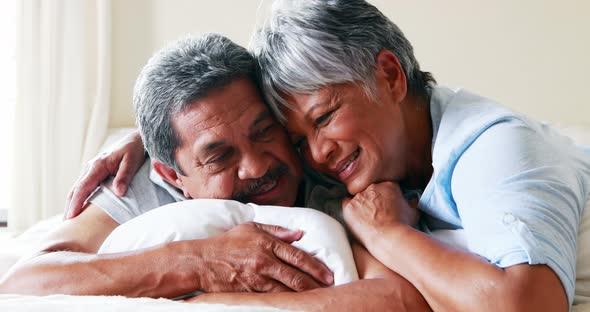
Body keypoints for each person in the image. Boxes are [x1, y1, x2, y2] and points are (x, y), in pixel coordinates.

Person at [68, 0, 590, 310]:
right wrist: (146, 139)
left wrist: (386, 231)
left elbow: (522, 306)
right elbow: (28, 278)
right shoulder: (343, 163)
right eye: (296, 137)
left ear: (389, 76)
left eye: (322, 118)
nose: (314, 154)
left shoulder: (493, 149)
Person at [1, 34, 430, 311]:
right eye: (220, 157)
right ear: (171, 175)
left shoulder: (321, 162)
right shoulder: (139, 182)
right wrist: (198, 262)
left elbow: (400, 298)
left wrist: (209, 302)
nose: (259, 165)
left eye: (265, 132)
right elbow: (25, 282)